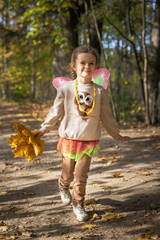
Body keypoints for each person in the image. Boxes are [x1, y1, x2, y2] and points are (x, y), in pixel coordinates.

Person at [35, 46, 130, 222]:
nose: (87, 66)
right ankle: (63, 186)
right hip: (69, 139)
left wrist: (116, 135)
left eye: (91, 63)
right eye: (83, 63)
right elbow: (55, 111)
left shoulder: (99, 91)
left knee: (81, 176)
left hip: (89, 141)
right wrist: (43, 129)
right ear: (73, 65)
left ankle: (78, 204)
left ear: (96, 66)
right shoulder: (67, 89)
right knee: (68, 174)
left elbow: (106, 116)